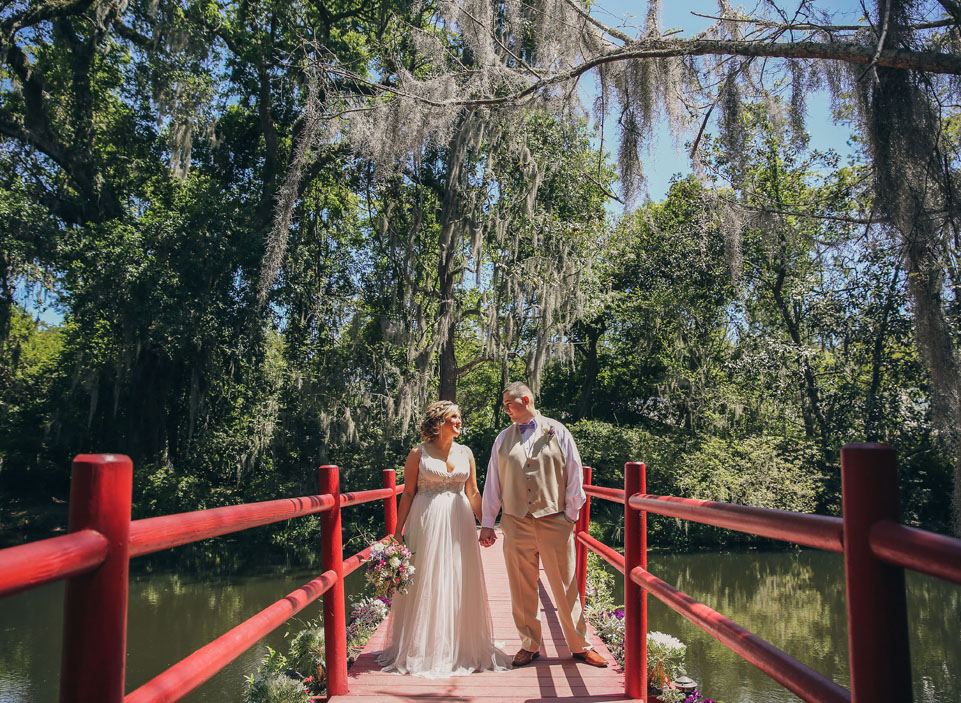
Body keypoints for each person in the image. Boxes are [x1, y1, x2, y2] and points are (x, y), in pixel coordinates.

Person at [479, 382, 609, 668]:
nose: (506, 409)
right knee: (521, 586)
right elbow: (493, 482)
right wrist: (488, 522)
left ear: (526, 400)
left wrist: (570, 516)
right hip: (515, 522)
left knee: (565, 586)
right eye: (504, 405)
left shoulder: (558, 431)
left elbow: (574, 472)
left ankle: (580, 645)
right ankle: (529, 644)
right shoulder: (502, 439)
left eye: (509, 404)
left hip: (554, 521)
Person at [377, 400, 510, 677]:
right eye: (454, 417)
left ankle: (459, 645)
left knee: (458, 578)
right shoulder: (418, 453)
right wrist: (397, 532)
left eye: (460, 417)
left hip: (459, 522)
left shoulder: (466, 452)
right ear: (439, 422)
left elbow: (473, 492)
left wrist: (487, 524)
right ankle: (423, 647)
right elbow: (409, 493)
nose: (459, 421)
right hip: (426, 521)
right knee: (428, 579)